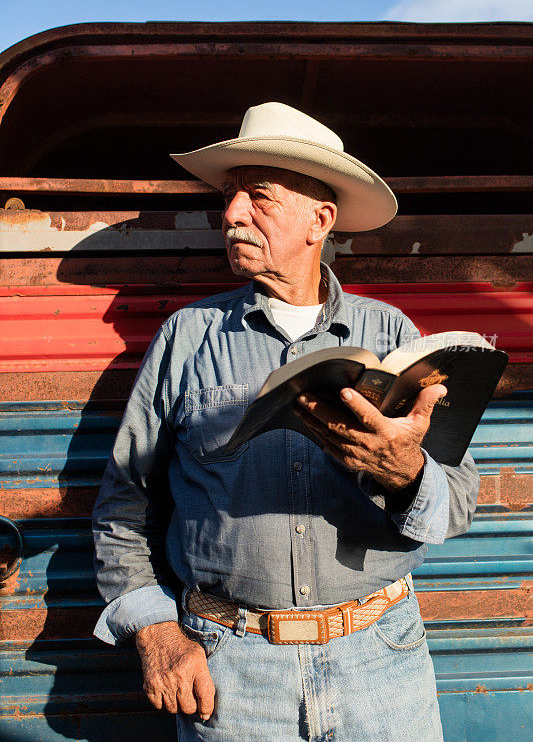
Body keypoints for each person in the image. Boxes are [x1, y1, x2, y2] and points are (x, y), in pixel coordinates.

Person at [92, 103, 480, 742]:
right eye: (229, 195)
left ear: (319, 220)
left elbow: (458, 503)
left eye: (259, 197)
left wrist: (410, 475)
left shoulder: (390, 334)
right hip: (233, 673)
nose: (233, 213)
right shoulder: (187, 338)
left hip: (381, 664)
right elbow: (122, 511)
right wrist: (156, 634)